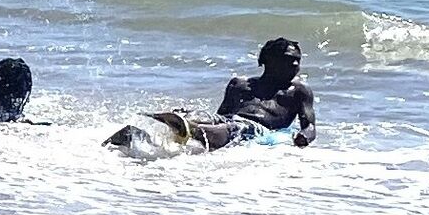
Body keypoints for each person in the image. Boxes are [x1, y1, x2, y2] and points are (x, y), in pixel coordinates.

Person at [110, 35, 320, 159]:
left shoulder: (299, 92)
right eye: (288, 60)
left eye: (297, 61)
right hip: (229, 122)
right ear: (269, 60)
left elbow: (309, 125)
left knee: (236, 128)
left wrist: (304, 137)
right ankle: (154, 129)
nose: (294, 65)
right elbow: (221, 114)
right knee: (202, 115)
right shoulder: (241, 84)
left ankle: (189, 129)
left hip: (257, 130)